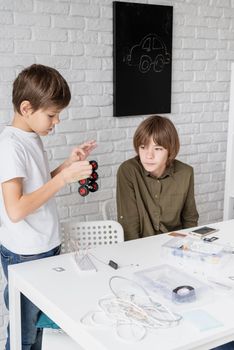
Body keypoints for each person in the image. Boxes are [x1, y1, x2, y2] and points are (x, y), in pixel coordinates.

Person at [0, 64, 96, 350]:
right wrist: (65, 178)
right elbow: (15, 209)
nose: (56, 122)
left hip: (44, 246)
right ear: (27, 108)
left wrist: (65, 166)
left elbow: (37, 185)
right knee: (24, 336)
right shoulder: (10, 147)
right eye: (52, 115)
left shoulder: (29, 138)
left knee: (40, 330)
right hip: (26, 254)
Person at [116, 115, 199, 241]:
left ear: (170, 150)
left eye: (158, 148)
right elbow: (129, 225)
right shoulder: (128, 171)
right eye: (143, 147)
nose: (149, 156)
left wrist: (187, 246)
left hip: (174, 244)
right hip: (140, 246)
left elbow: (190, 218)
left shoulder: (185, 173)